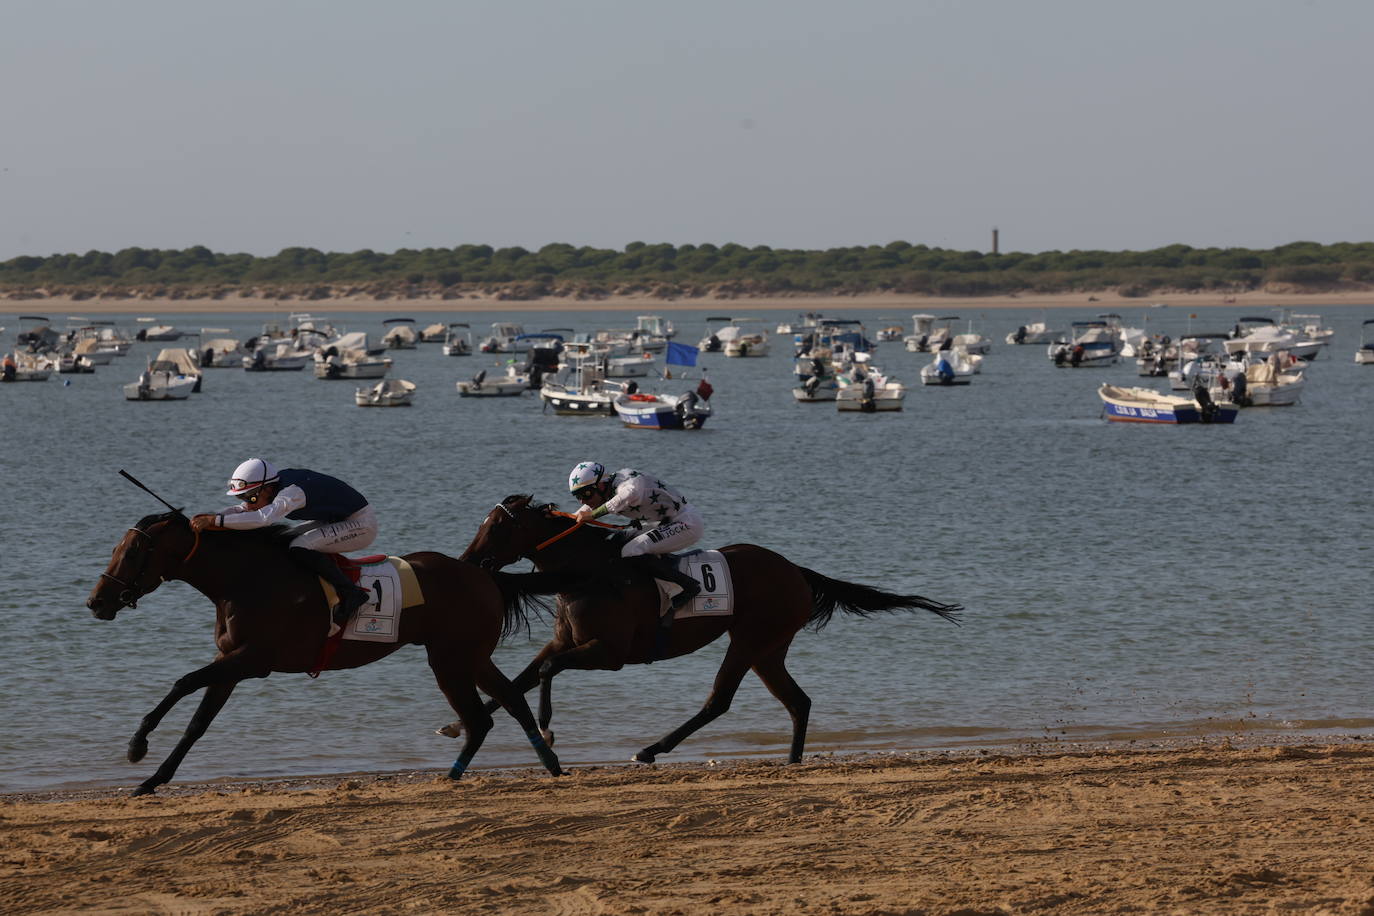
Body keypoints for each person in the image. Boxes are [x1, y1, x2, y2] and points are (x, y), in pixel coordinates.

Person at [191, 459, 375, 627]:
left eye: (251, 498)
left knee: (299, 546)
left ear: (268, 490)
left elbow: (263, 519)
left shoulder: (292, 492)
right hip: (336, 519)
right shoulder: (271, 486)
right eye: (243, 498)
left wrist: (215, 521)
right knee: (283, 540)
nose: (248, 504)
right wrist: (211, 518)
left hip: (361, 524)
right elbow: (242, 511)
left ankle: (352, 594)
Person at [567, 461, 703, 617]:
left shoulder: (627, 482)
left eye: (586, 494)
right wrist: (556, 518)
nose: (583, 501)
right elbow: (581, 515)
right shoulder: (604, 490)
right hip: (660, 524)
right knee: (616, 543)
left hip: (686, 523)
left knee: (632, 550)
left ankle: (687, 586)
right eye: (578, 496)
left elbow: (630, 495)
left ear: (602, 485)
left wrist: (594, 515)